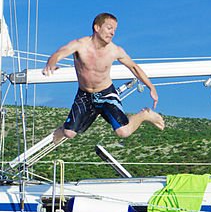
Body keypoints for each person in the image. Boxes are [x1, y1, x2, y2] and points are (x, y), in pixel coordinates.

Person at [42, 12, 164, 143]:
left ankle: (144, 114)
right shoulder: (80, 45)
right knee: (69, 133)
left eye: (115, 30)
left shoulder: (115, 50)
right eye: (109, 28)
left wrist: (151, 87)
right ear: (97, 27)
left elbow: (134, 67)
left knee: (123, 131)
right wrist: (51, 63)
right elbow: (59, 53)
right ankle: (64, 128)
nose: (112, 33)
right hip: (85, 95)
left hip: (107, 94)